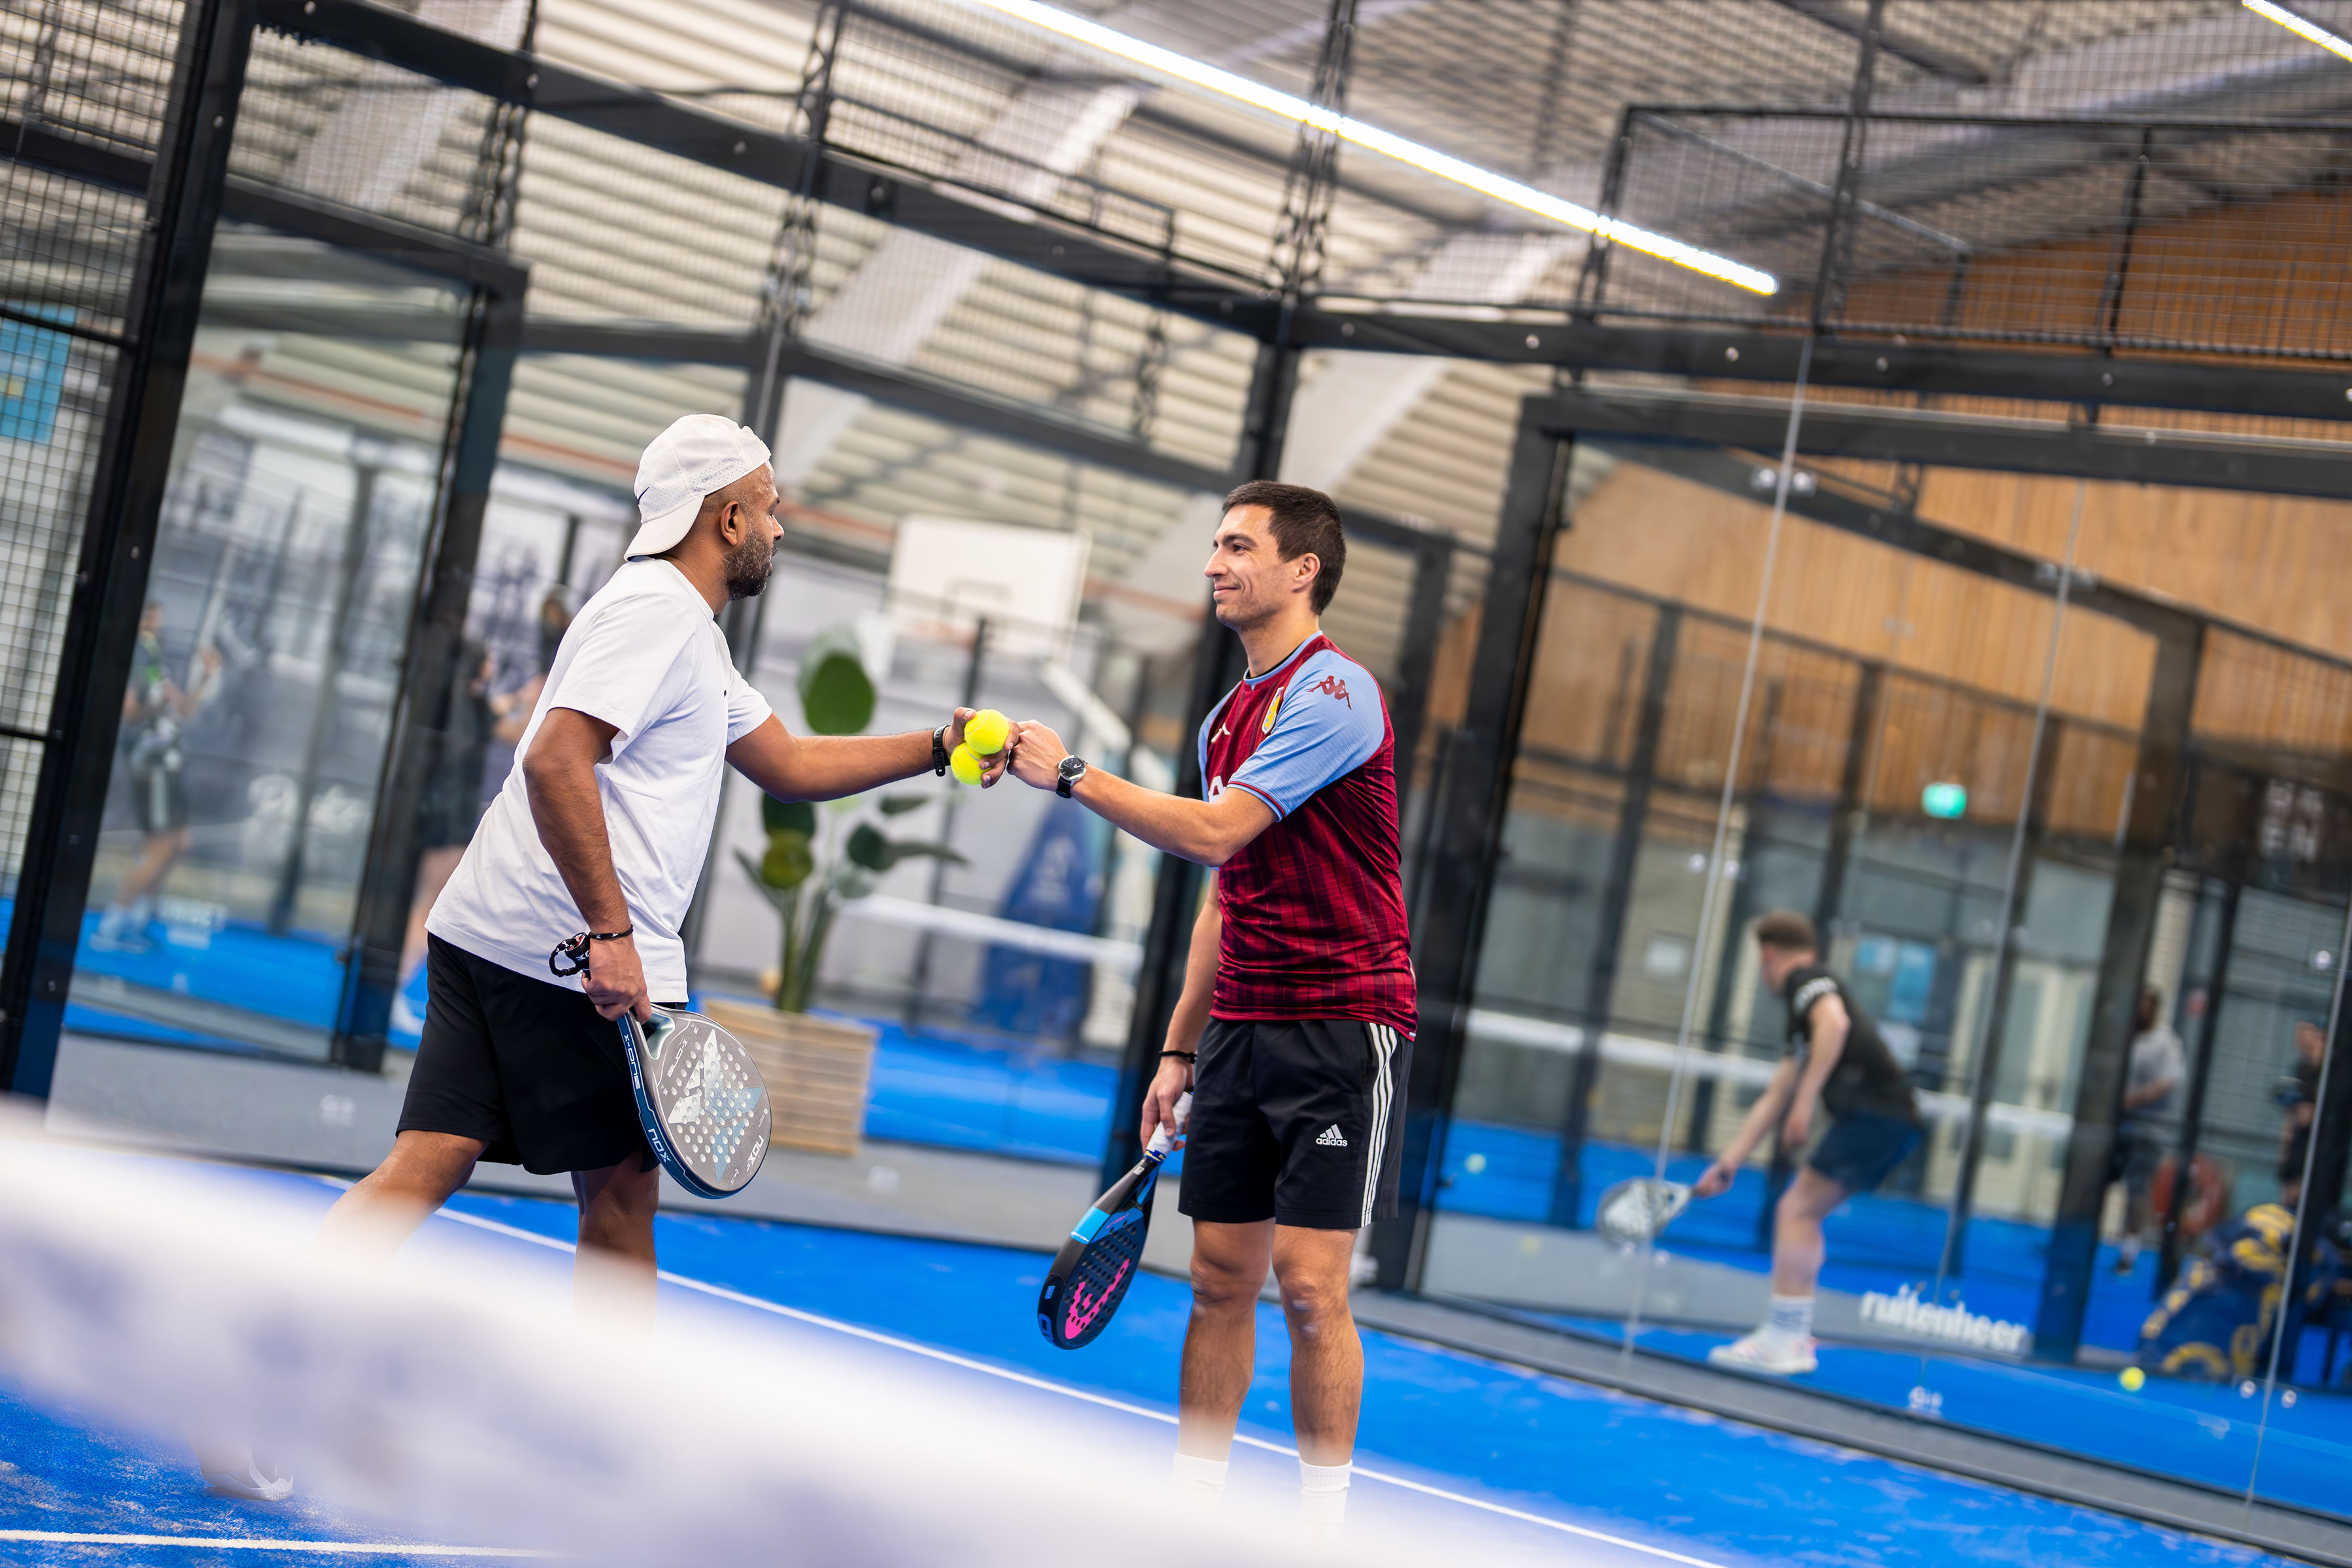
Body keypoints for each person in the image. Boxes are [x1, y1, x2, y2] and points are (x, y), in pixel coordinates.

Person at [197, 414, 1006, 1499]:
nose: (777, 524)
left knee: (429, 1160)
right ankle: (607, 1453)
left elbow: (792, 762)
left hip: (492, 923)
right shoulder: (661, 618)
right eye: (767, 506)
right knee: (619, 1198)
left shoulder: (676, 624)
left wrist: (938, 746)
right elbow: (555, 759)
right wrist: (617, 937)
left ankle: (254, 1380)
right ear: (727, 517)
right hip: (567, 949)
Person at [1005, 480, 1416, 1530]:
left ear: (1302, 569)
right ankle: (1197, 1518)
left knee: (1312, 1288)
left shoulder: (1336, 696)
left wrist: (1073, 776)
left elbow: (1217, 832)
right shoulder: (1225, 718)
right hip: (1239, 1027)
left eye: (1238, 547)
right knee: (1220, 1281)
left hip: (1339, 1023)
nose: (1213, 564)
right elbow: (1224, 896)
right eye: (1215, 545)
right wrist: (1179, 1052)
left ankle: (1323, 1526)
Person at [1693, 910, 1923, 1375]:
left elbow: (1833, 1025)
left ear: (1768, 956)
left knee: (1795, 1211)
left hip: (1877, 1117)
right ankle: (1792, 1337)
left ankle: (1784, 1338)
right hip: (1893, 1123)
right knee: (1804, 1214)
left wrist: (1806, 1102)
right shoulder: (1801, 1015)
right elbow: (1778, 1090)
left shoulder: (1807, 980)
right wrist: (1730, 1162)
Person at [92, 601, 219, 953]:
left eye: (157, 619)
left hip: (168, 761)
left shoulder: (153, 660)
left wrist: (207, 676)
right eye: (150, 617)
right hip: (152, 762)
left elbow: (184, 709)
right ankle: (112, 926)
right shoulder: (132, 658)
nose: (156, 625)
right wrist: (158, 705)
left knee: (177, 844)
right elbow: (131, 713)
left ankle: (137, 919)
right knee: (163, 846)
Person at [2114, 987, 2185, 1275]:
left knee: (2137, 1189)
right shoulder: (2126, 1036)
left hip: (2147, 1132)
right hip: (2117, 1129)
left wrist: (2136, 1099)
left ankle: (2129, 1255)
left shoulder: (2166, 1042)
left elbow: (2169, 1081)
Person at [2278, 1019, 2327, 1209]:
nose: (2299, 1038)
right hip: (2298, 1143)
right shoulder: (2301, 1068)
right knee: (2288, 1193)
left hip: (2319, 1147)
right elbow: (2294, 1113)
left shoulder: (2331, 1073)